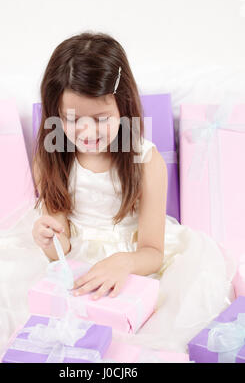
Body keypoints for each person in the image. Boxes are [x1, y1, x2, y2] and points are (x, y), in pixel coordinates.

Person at [31, 31, 236, 352]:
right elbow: (63, 243)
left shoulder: (146, 162)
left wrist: (123, 262)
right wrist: (49, 239)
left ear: (123, 109)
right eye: (71, 120)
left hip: (134, 257)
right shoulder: (52, 160)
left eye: (101, 119)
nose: (87, 132)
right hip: (77, 261)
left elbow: (153, 252)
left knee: (141, 335)